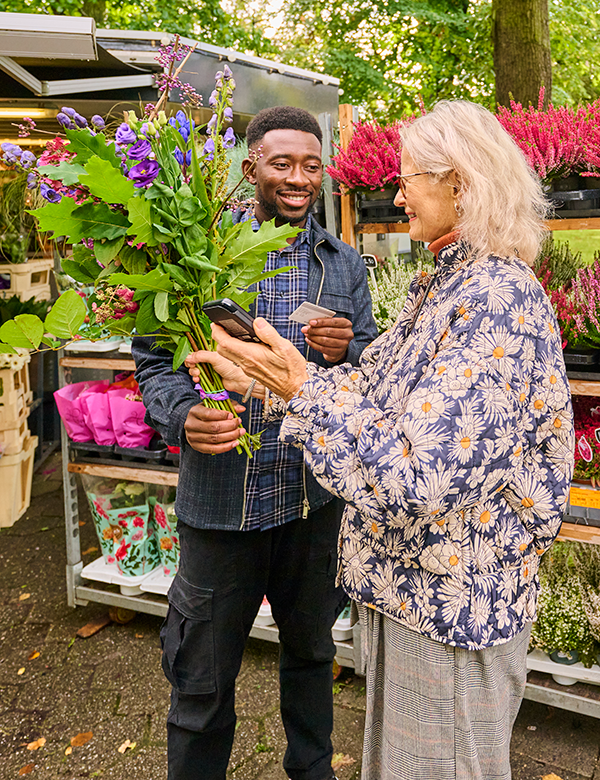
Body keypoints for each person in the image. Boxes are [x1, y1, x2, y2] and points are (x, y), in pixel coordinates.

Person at [191, 100, 575, 780]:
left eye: (407, 178)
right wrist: (275, 376)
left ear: (460, 181)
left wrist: (301, 390)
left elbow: (415, 477)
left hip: (452, 613)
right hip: (416, 599)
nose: (395, 194)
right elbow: (370, 392)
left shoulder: (493, 300)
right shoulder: (448, 283)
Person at [132, 105, 378, 780]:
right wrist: (184, 416)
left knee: (309, 656)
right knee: (202, 683)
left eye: (309, 164)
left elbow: (373, 367)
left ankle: (313, 771)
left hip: (310, 502)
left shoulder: (344, 266)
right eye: (281, 163)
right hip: (222, 509)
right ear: (250, 170)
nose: (298, 178)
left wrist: (350, 346)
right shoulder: (193, 262)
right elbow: (153, 367)